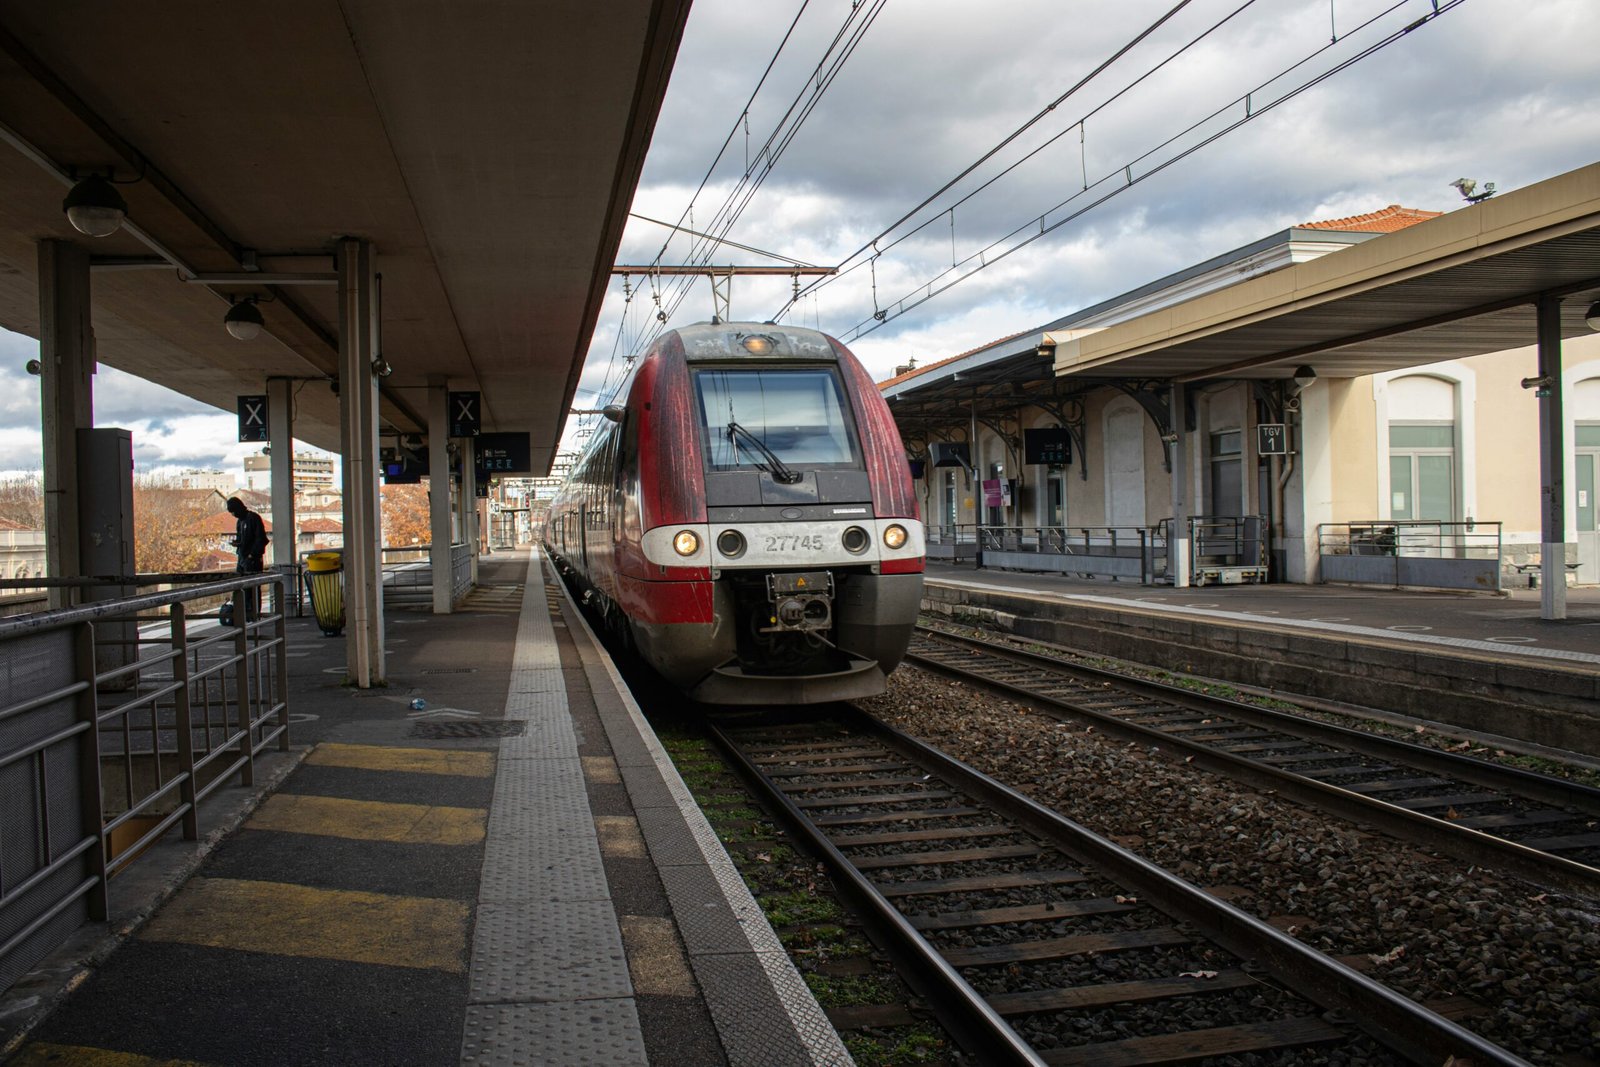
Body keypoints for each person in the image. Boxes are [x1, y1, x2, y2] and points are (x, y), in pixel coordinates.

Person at [226, 497, 269, 620]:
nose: (233, 515)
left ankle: (254, 614)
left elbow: (262, 539)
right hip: (242, 557)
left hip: (252, 559)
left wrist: (252, 554)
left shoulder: (253, 518)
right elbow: (242, 539)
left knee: (253, 588)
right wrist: (237, 543)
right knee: (241, 587)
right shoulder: (240, 522)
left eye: (233, 511)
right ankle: (245, 614)